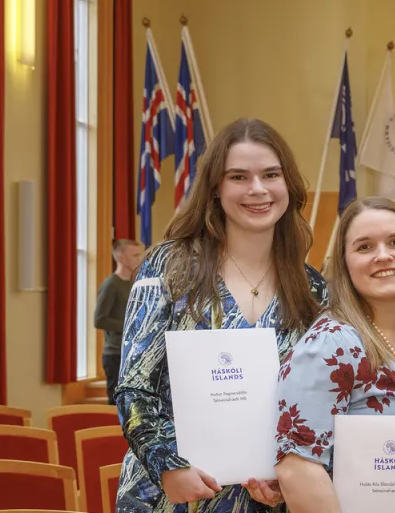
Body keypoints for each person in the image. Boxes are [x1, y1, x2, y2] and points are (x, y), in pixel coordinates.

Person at [115, 118, 329, 513]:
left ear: (289, 185)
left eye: (271, 175)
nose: (258, 189)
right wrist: (167, 467)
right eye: (238, 177)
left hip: (264, 501)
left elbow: (315, 403)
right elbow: (134, 386)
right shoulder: (169, 265)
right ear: (215, 187)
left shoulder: (313, 288)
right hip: (168, 495)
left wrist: (290, 475)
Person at [273, 197, 395, 512]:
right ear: (345, 262)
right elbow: (297, 469)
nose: (383, 256)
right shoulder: (330, 344)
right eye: (364, 247)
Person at [95, 238, 143, 405]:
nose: (139, 259)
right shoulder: (111, 285)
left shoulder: (135, 284)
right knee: (117, 405)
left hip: (133, 352)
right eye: (135, 255)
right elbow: (100, 319)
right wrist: (130, 325)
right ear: (122, 257)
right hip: (116, 354)